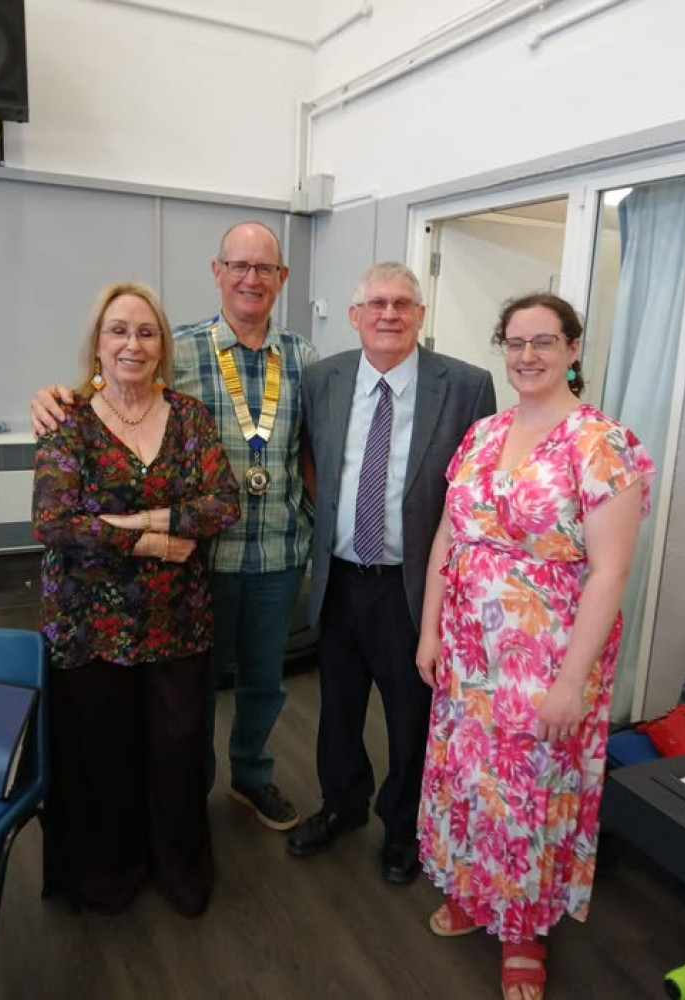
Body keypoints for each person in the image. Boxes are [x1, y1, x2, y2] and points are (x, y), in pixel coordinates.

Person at [30, 222, 318, 832]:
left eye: (264, 269)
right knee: (190, 695)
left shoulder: (303, 358)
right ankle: (189, 792)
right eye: (238, 266)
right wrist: (51, 396)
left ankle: (253, 778)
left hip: (274, 551)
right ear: (217, 272)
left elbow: (313, 452)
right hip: (194, 560)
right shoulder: (177, 347)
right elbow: (111, 383)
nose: (250, 279)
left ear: (281, 279)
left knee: (265, 682)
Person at [415, 292, 656, 999]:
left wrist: (570, 682)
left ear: (573, 349)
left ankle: (521, 927)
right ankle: (470, 887)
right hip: (465, 649)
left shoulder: (602, 443)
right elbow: (448, 535)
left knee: (526, 793)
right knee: (466, 778)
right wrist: (430, 628)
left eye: (544, 342)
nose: (527, 356)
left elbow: (611, 572)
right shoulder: (482, 433)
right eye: (515, 342)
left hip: (544, 656)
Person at [33, 282, 240, 916]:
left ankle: (177, 870)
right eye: (119, 330)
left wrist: (133, 519)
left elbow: (223, 504)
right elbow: (53, 521)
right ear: (98, 343)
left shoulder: (190, 416)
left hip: (177, 623)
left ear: (162, 346)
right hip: (89, 626)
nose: (132, 343)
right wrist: (155, 540)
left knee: (177, 753)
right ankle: (106, 877)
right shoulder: (67, 420)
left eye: (146, 332)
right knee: (103, 755)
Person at [287, 262, 496, 884]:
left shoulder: (465, 385)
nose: (389, 314)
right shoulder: (322, 379)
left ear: (420, 316)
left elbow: (475, 487)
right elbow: (309, 456)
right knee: (338, 708)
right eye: (376, 303)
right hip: (341, 577)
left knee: (411, 714)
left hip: (413, 586)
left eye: (403, 304)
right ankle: (341, 805)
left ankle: (405, 825)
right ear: (354, 316)